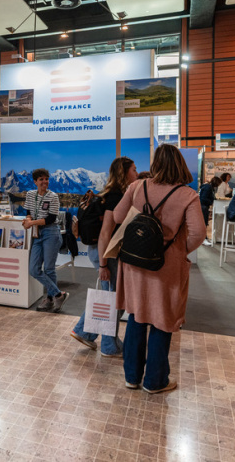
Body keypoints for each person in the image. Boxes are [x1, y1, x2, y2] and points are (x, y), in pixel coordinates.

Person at [114, 145, 205, 393]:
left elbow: (119, 217)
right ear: (180, 164)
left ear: (156, 164)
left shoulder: (137, 187)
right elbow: (198, 234)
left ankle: (131, 377)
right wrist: (177, 250)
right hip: (167, 265)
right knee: (163, 320)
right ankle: (155, 381)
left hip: (135, 262)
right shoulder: (188, 195)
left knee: (136, 315)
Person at [71, 156, 137, 357]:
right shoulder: (116, 196)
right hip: (105, 252)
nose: (136, 173)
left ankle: (86, 332)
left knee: (110, 296)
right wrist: (103, 265)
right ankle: (108, 344)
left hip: (103, 251)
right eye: (133, 170)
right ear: (124, 173)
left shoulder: (109, 193)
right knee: (113, 298)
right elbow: (105, 233)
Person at [23, 168, 69, 313]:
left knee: (49, 269)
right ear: (35, 181)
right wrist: (28, 219)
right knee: (33, 269)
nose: (44, 182)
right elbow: (29, 212)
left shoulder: (53, 196)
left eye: (46, 179)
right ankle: (58, 294)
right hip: (37, 234)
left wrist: (32, 223)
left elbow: (50, 219)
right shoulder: (30, 195)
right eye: (41, 179)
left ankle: (49, 300)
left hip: (51, 233)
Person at [198, 176, 223, 246]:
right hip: (203, 207)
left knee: (204, 223)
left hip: (203, 206)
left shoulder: (208, 187)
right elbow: (203, 198)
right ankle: (203, 239)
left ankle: (204, 238)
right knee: (204, 223)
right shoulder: (208, 188)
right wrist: (211, 202)